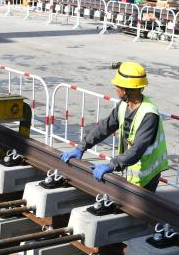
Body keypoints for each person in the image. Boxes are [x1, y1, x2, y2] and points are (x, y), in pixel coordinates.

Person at [60, 61, 169, 190]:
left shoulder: (149, 115)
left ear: (126, 89)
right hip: (131, 168)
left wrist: (112, 165)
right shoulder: (123, 105)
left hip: (147, 174)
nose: (115, 88)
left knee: (138, 203)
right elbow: (105, 127)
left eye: (118, 86)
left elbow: (137, 149)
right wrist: (81, 147)